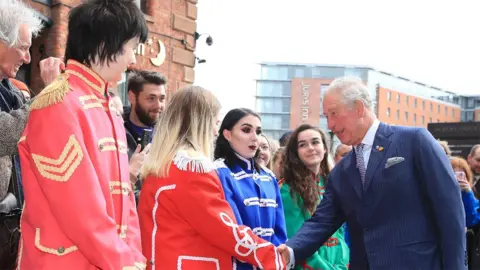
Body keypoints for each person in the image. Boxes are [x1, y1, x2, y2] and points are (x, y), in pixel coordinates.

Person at [279, 76, 466, 269]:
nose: (330, 125)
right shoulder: (341, 171)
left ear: (359, 108)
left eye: (333, 114)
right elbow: (322, 221)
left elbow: (450, 214)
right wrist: (290, 250)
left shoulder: (415, 142)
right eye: (327, 116)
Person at [17, 0, 148, 268]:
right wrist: (125, 261)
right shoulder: (57, 103)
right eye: (130, 48)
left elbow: (125, 198)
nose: (133, 60)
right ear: (103, 45)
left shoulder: (108, 105)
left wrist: (134, 257)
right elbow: (80, 209)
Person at [138, 86, 285, 270]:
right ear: (201, 124)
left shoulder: (164, 164)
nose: (215, 132)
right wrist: (275, 258)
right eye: (215, 123)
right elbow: (224, 230)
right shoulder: (192, 169)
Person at [214, 108, 288, 270]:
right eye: (246, 130)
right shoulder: (219, 173)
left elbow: (280, 230)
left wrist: (275, 259)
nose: (255, 137)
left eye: (258, 131)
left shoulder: (269, 177)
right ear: (227, 134)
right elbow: (230, 230)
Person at [281, 124, 349, 269]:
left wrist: (342, 265)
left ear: (325, 148)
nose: (311, 148)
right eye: (303, 145)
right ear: (296, 152)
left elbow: (340, 234)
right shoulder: (288, 189)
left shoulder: (333, 183)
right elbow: (297, 241)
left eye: (315, 142)